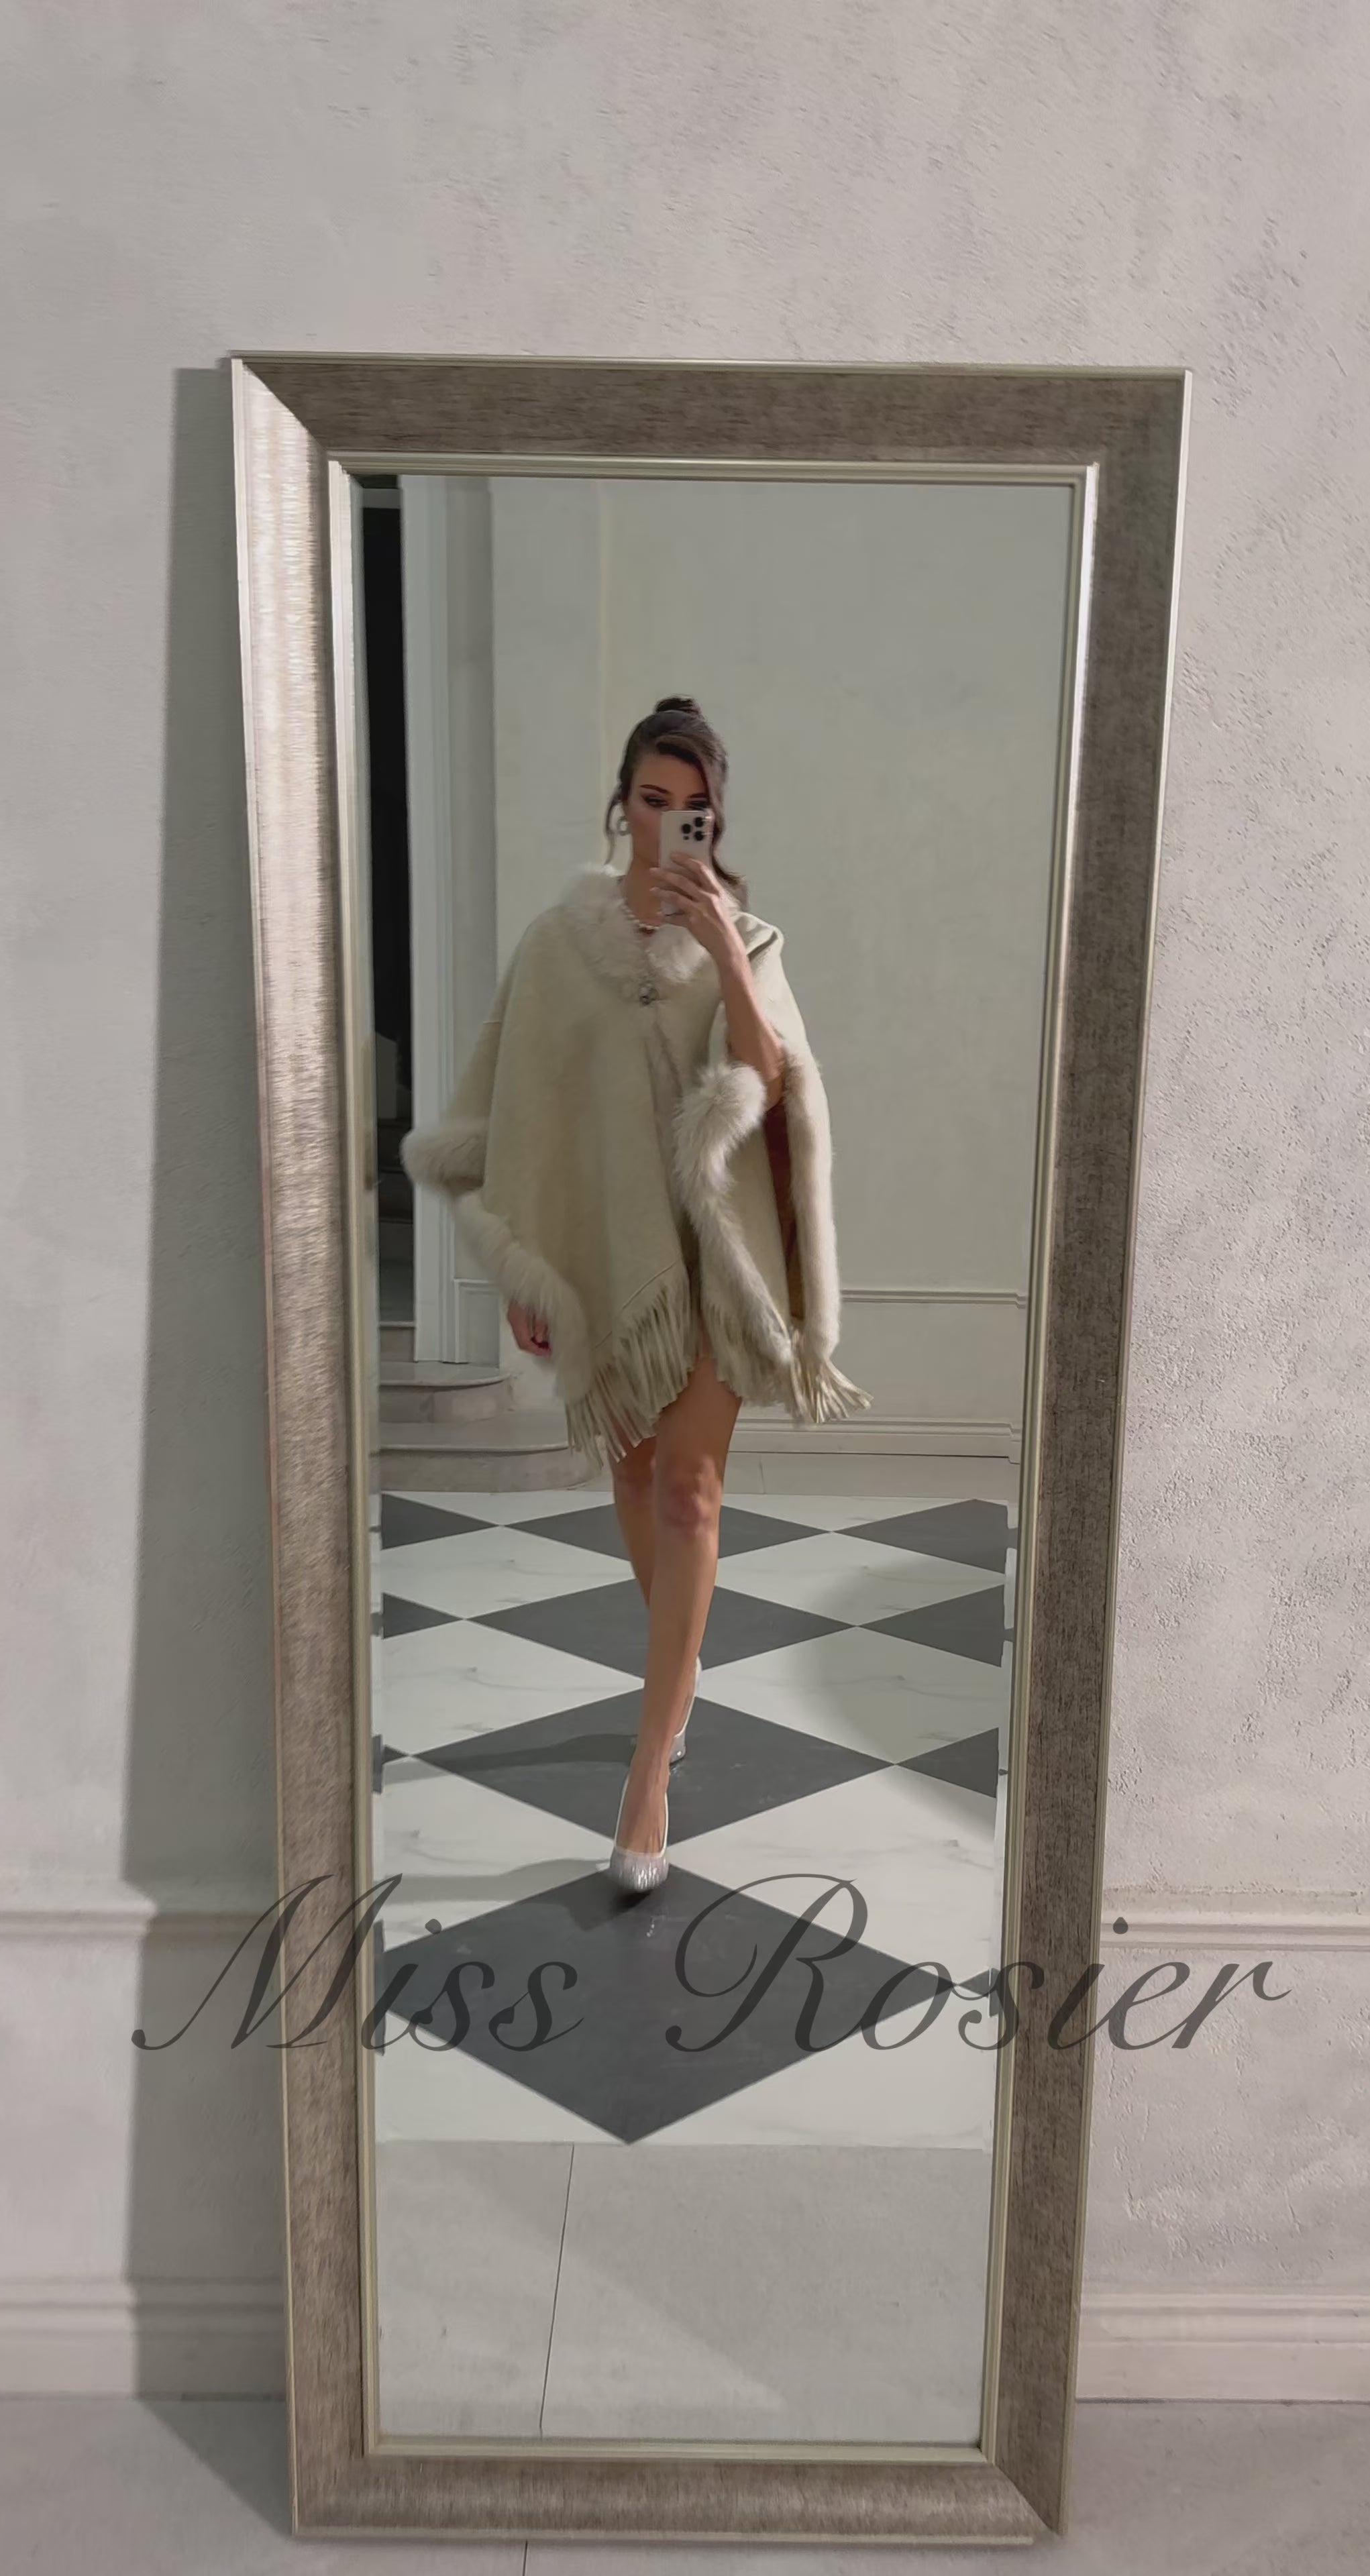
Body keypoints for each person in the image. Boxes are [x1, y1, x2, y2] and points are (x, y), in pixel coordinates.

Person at [401, 697, 870, 1896]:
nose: (670, 825)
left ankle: (648, 1773)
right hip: (610, 1263)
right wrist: (531, 1264)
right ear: (622, 805)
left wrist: (723, 955)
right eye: (652, 802)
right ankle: (682, 1670)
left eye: (692, 808)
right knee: (630, 1475)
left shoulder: (749, 939)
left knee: (689, 1489)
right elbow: (523, 1107)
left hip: (720, 1264)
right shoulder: (560, 945)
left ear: (716, 820)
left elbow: (774, 1083)